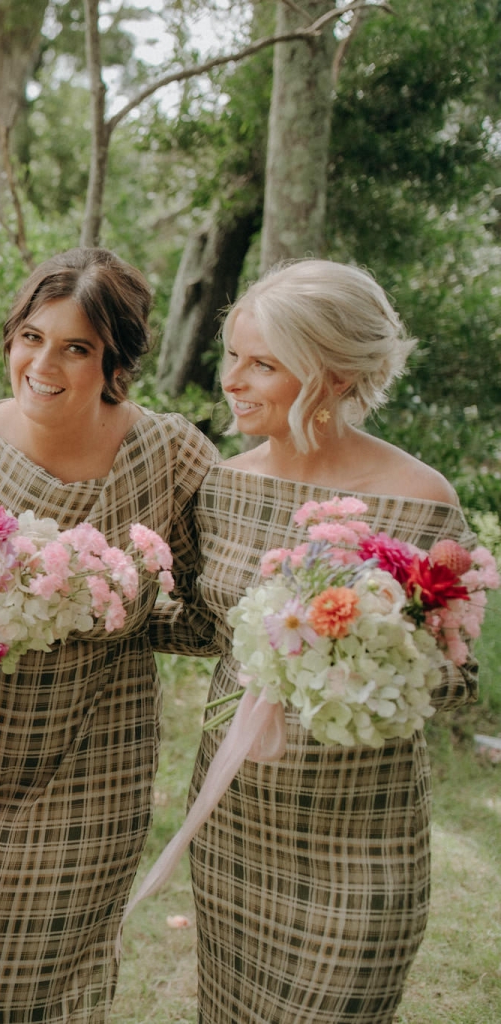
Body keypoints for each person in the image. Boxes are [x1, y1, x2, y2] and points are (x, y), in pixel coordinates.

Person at [150, 259, 474, 1023]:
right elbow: (204, 627)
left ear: (330, 376)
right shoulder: (223, 486)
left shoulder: (424, 500)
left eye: (262, 364)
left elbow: (459, 675)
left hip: (364, 834)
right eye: (233, 356)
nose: (233, 379)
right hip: (236, 824)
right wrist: (84, 601)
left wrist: (370, 646)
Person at [0, 247, 217, 1022]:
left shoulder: (170, 452)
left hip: (98, 755)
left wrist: (125, 609)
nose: (45, 363)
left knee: (65, 972)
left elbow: (215, 603)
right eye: (31, 338)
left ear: (113, 360)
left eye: (76, 347)